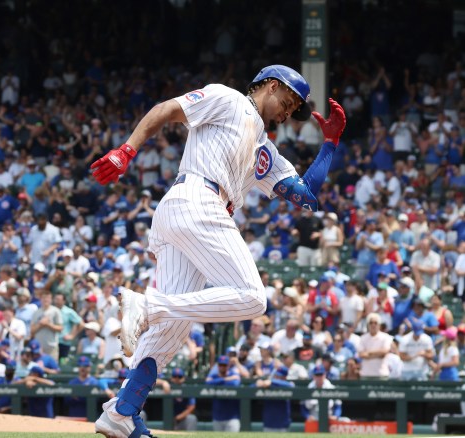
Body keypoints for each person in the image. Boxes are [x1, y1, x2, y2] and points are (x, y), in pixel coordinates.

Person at [90, 65, 345, 437]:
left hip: (193, 215)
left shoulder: (263, 148)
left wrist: (331, 143)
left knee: (170, 335)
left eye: (294, 109)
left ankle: (122, 412)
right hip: (197, 198)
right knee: (253, 298)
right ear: (271, 87)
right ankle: (149, 306)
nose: (289, 112)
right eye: (288, 102)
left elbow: (306, 196)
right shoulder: (228, 99)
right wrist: (127, 150)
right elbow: (165, 109)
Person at [206, 355, 241, 432]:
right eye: (220, 365)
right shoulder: (214, 375)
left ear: (228, 365)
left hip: (232, 418)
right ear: (217, 365)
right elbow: (208, 383)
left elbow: (235, 383)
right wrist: (225, 379)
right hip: (217, 417)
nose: (222, 367)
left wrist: (219, 381)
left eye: (224, 365)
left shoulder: (233, 374)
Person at [255, 366, 295, 432]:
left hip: (283, 425)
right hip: (268, 424)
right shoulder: (267, 384)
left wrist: (272, 382)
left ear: (285, 377)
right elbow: (252, 387)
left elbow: (290, 386)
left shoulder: (287, 384)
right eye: (276, 376)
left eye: (279, 377)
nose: (277, 378)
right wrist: (259, 383)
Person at [358, 313, 392, 379]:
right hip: (366, 374)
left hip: (381, 373)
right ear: (368, 325)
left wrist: (368, 353)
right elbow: (361, 354)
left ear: (379, 325)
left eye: (375, 323)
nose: (373, 325)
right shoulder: (363, 338)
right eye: (371, 323)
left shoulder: (386, 337)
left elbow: (384, 352)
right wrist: (378, 354)